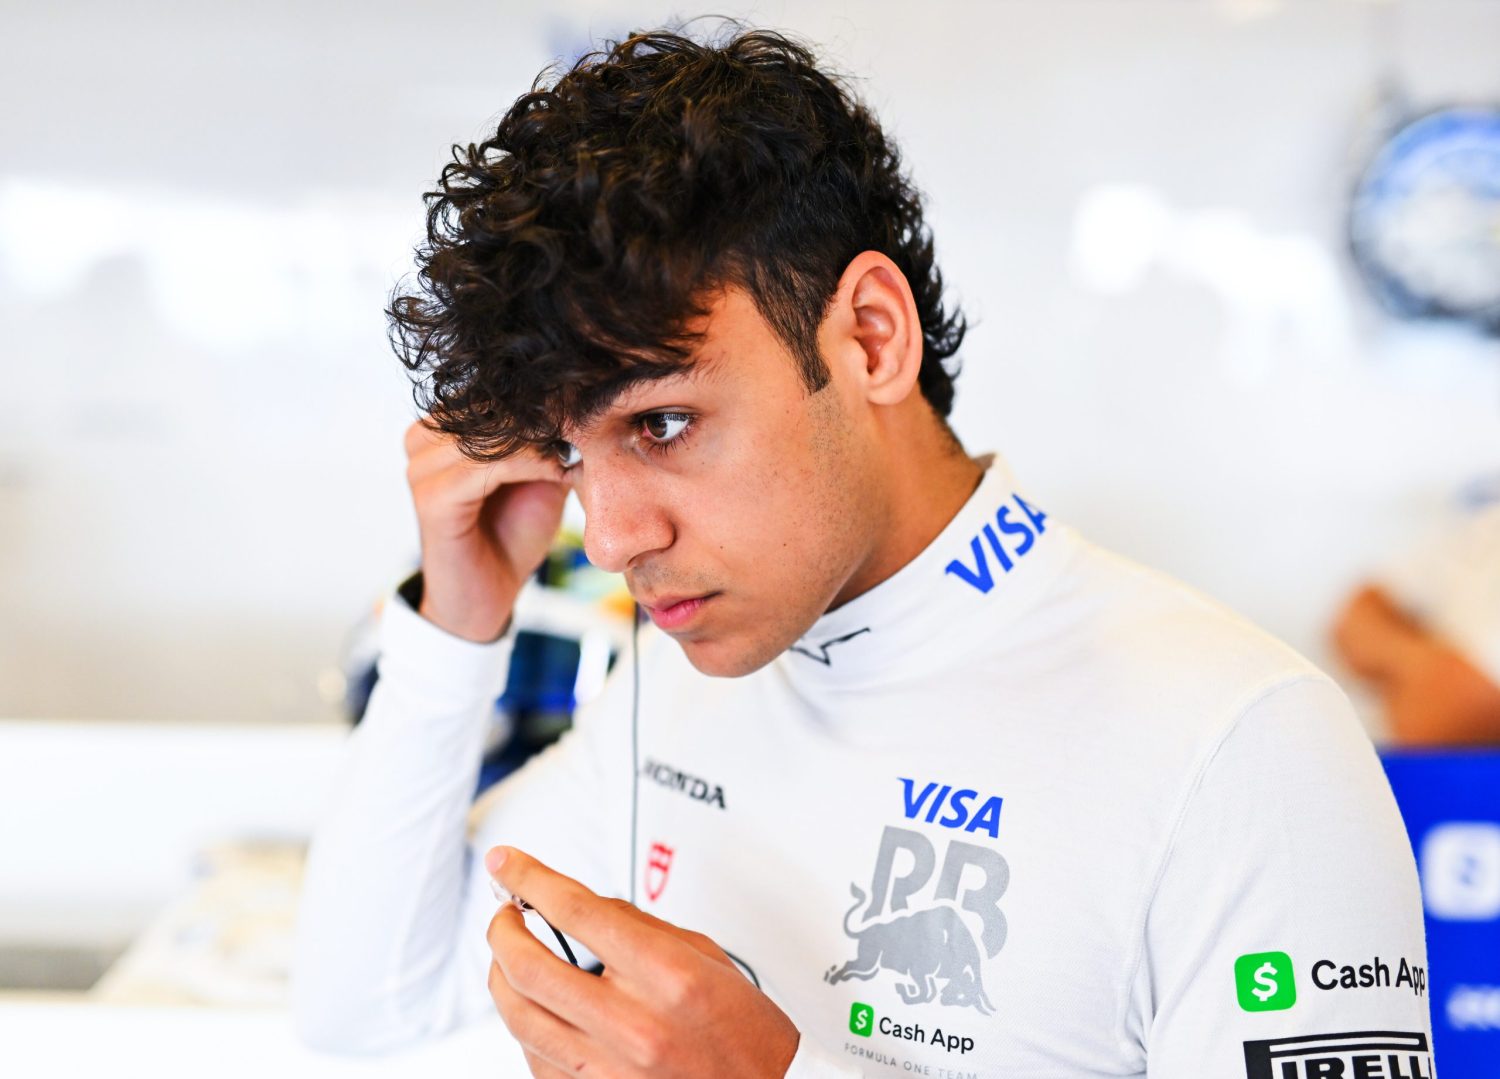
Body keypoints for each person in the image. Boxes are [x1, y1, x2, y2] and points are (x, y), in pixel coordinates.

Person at [293, 25, 1435, 1078]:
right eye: (569, 455)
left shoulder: (1244, 746)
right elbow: (369, 1004)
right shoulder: (676, 682)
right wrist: (454, 624)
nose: (614, 538)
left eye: (664, 423)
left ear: (872, 338)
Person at [1333, 496, 1500, 745]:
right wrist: (1421, 665)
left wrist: (1408, 667)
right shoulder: (1487, 522)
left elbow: (1451, 713)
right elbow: (1355, 620)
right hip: (1396, 758)